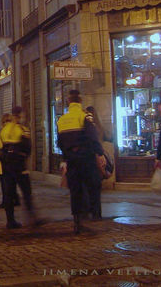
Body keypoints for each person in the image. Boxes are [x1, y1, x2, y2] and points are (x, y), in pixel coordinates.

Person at [57, 90, 103, 234]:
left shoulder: (62, 119)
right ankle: (92, 215)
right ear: (80, 101)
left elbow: (59, 142)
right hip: (86, 157)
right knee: (93, 185)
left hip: (71, 159)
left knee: (75, 190)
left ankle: (77, 221)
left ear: (68, 102)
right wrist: (99, 153)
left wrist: (66, 157)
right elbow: (92, 136)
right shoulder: (85, 117)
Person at [0, 106, 42, 229]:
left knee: (9, 193)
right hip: (19, 166)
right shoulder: (22, 129)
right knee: (26, 192)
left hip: (7, 166)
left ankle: (10, 220)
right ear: (20, 115)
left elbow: (2, 147)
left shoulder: (4, 129)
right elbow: (27, 147)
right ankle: (32, 218)